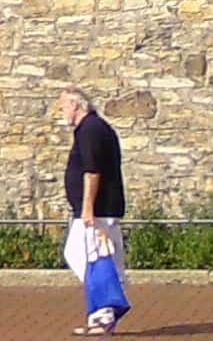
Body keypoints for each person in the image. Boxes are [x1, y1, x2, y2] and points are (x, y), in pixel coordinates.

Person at [58, 88, 129, 336]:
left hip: (97, 210)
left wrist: (87, 208)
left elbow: (92, 170)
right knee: (99, 257)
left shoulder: (90, 130)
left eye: (64, 106)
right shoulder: (94, 128)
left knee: (86, 255)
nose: (62, 112)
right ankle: (104, 310)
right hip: (100, 208)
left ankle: (106, 310)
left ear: (76, 105)